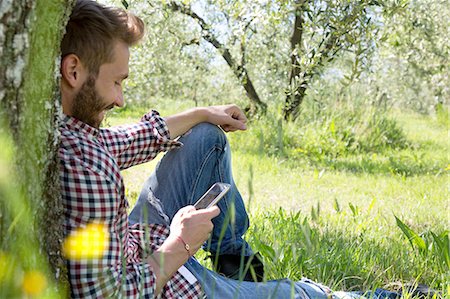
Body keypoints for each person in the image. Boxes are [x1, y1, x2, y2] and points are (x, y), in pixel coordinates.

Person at [58, 1, 404, 298]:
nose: (119, 98)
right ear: (73, 70)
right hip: (167, 279)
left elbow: (130, 139)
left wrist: (203, 113)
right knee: (291, 294)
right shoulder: (90, 171)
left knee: (206, 136)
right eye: (116, 81)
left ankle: (233, 259)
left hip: (141, 241)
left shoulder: (70, 131)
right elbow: (112, 295)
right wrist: (182, 243)